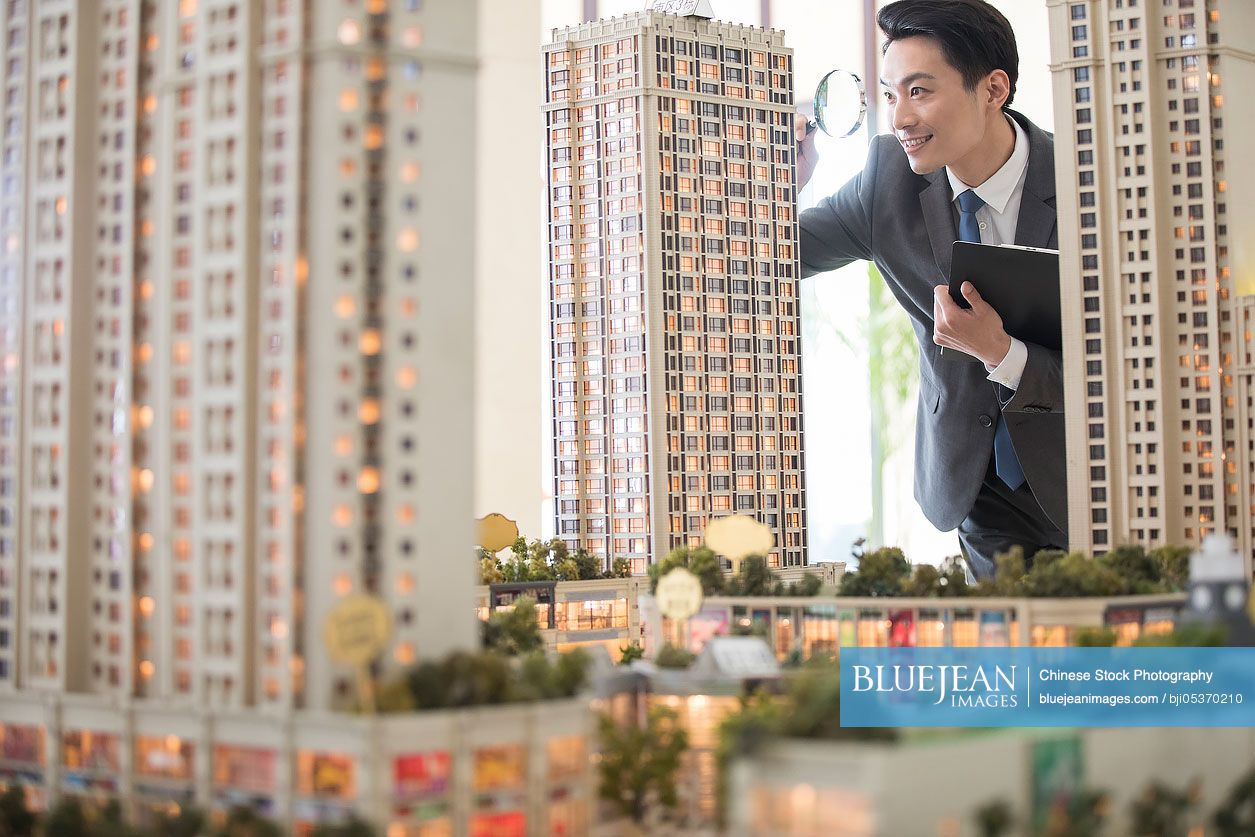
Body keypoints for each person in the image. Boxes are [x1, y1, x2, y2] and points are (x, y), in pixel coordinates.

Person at [796, 0, 1065, 580]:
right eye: (891, 95)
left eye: (920, 91)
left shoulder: (1085, 184)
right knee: (1016, 657)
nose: (899, 118)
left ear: (993, 89)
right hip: (978, 487)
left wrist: (1001, 353)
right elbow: (773, 256)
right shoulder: (886, 179)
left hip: (1096, 479)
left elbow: (1132, 370)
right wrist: (774, 181)